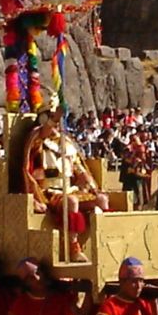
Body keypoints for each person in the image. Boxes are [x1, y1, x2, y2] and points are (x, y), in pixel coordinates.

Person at [22, 110, 110, 261]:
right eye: (53, 121)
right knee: (72, 202)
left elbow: (78, 167)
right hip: (49, 192)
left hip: (70, 189)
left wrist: (89, 183)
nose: (57, 125)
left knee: (101, 200)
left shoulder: (67, 143)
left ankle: (105, 241)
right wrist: (53, 118)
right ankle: (73, 248)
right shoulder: (37, 141)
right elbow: (43, 133)